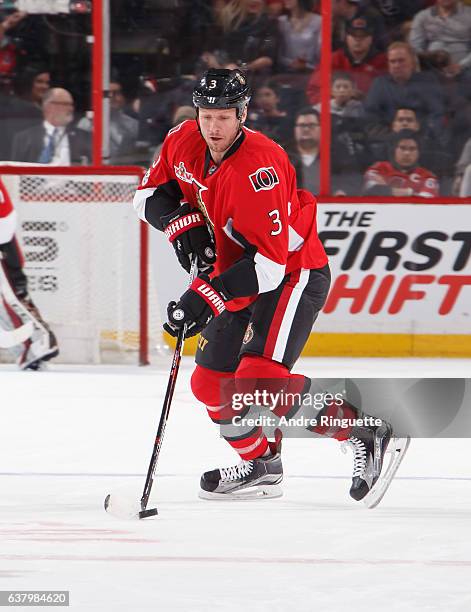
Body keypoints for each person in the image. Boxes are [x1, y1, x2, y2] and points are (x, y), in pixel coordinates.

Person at [133, 68, 406, 503]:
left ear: (242, 114)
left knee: (255, 377)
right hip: (233, 273)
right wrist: (180, 224)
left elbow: (268, 267)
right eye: (206, 115)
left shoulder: (262, 167)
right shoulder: (182, 139)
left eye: (224, 116)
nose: (213, 126)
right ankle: (263, 464)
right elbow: (146, 195)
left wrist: (204, 295)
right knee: (209, 385)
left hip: (291, 273)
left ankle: (362, 430)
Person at [0, 178, 59, 370]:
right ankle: (35, 342)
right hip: (4, 227)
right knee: (13, 291)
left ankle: (37, 342)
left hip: (2, 229)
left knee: (8, 295)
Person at [365, 42, 447, 143]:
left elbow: (436, 115)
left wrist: (420, 135)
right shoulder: (379, 84)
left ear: (412, 62)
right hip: (388, 142)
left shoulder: (428, 81)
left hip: (423, 142)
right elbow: (370, 118)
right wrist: (393, 136)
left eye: (401, 61)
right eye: (392, 61)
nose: (396, 65)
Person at [306, 15, 387, 105]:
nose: (358, 39)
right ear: (346, 37)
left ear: (371, 38)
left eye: (363, 35)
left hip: (369, 112)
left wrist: (367, 98)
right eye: (353, 35)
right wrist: (336, 97)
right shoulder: (332, 60)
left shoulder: (383, 61)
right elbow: (313, 91)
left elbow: (388, 94)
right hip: (334, 112)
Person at [10, 87, 91, 164]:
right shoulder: (24, 138)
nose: (71, 109)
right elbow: (15, 171)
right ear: (49, 106)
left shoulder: (85, 137)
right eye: (66, 104)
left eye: (71, 104)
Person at [363, 129, 440, 196]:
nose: (407, 153)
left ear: (418, 153)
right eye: (402, 148)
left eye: (412, 149)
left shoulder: (427, 176)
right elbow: (373, 190)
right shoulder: (379, 168)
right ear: (394, 150)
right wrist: (410, 192)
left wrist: (389, 191)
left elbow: (425, 202)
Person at [77, 80, 138, 164]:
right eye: (107, 94)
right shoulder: (86, 124)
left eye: (116, 93)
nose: (112, 97)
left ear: (123, 97)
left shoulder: (132, 124)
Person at [410, 0, 471, 80]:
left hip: (465, 68)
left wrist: (461, 66)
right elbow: (415, 46)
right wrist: (427, 61)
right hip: (432, 68)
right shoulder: (422, 16)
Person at [246, 81, 292, 145]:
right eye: (260, 96)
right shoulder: (253, 122)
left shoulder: (288, 122)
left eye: (267, 95)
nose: (263, 99)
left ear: (277, 98)